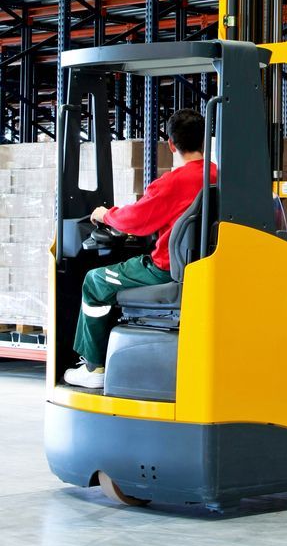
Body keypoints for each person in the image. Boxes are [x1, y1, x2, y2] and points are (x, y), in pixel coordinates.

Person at [63, 109, 216, 389]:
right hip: (202, 267)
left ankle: (94, 367)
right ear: (205, 140)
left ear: (171, 144)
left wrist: (105, 214)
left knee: (94, 282)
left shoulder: (172, 182)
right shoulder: (218, 176)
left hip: (165, 270)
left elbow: (136, 221)